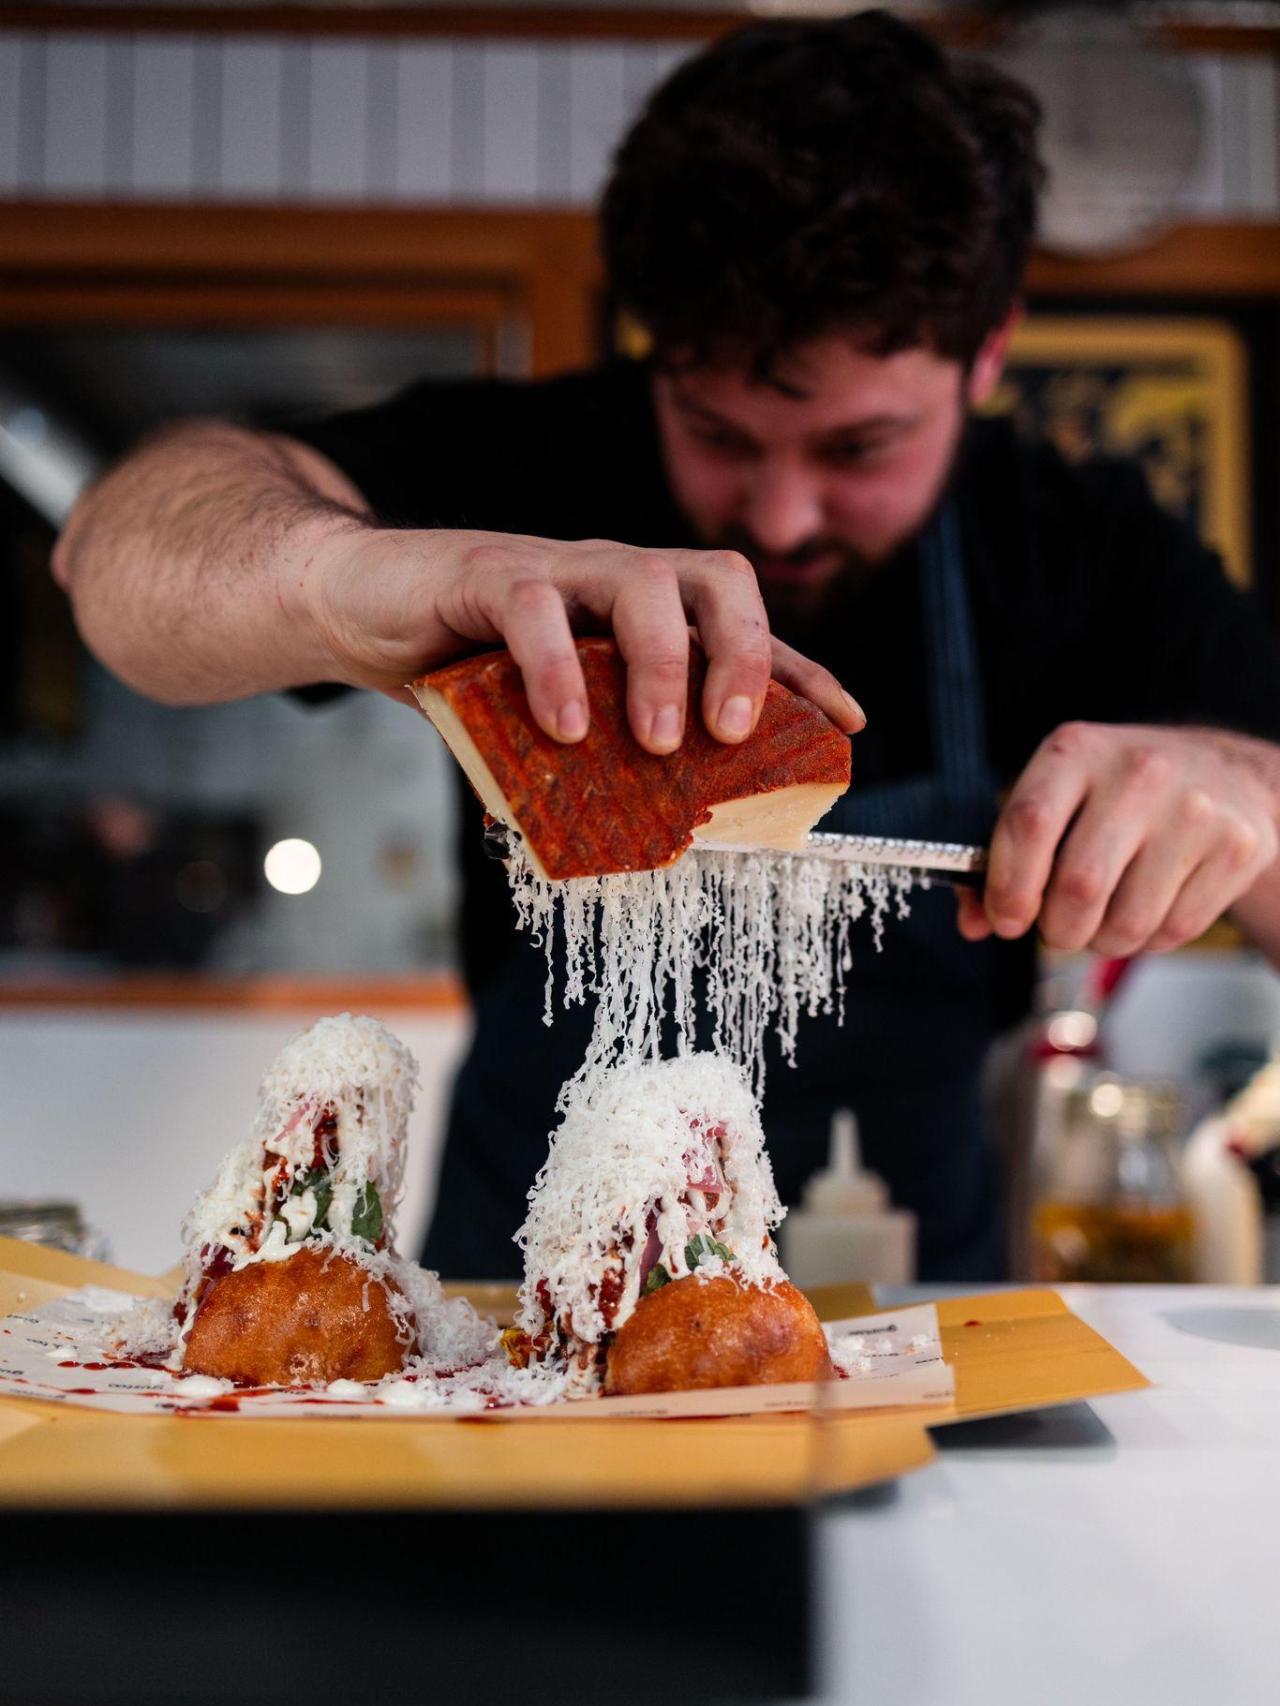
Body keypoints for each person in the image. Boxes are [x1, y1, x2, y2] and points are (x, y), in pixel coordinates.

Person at [52, 11, 1280, 1280]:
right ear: (652, 352)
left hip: (921, 1302)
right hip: (521, 1308)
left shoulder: (1082, 544)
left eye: (858, 448)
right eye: (718, 431)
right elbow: (112, 549)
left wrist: (1249, 795)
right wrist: (346, 576)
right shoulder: (523, 464)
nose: (779, 516)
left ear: (988, 353)